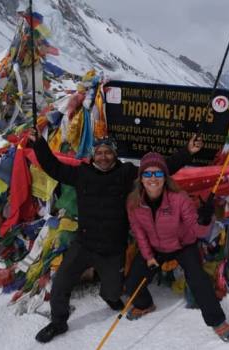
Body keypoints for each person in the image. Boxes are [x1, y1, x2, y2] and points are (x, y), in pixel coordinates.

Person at [29, 130, 203, 343]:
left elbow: (159, 170)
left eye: (108, 152)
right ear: (93, 155)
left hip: (113, 250)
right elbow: (53, 167)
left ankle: (108, 297)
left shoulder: (127, 174)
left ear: (115, 154)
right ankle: (58, 322)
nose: (103, 156)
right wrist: (39, 144)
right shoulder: (81, 174)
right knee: (61, 284)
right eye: (99, 152)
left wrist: (187, 152)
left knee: (113, 292)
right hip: (84, 244)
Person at [124, 152, 229, 342]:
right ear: (141, 178)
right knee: (133, 281)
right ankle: (145, 305)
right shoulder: (134, 203)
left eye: (158, 174)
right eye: (147, 174)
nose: (153, 179)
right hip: (155, 248)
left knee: (198, 280)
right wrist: (148, 256)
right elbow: (139, 233)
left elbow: (199, 232)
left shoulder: (179, 199)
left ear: (165, 178)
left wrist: (204, 219)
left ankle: (217, 321)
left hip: (183, 245)